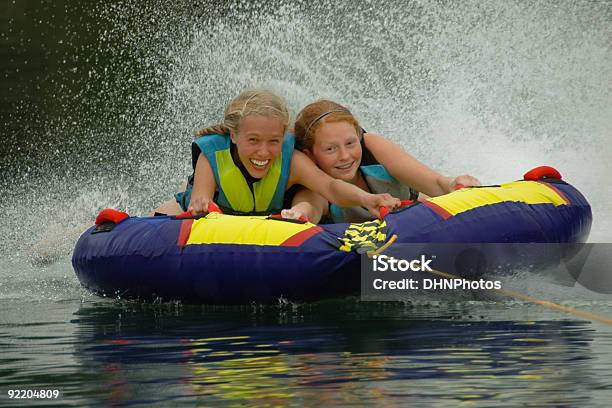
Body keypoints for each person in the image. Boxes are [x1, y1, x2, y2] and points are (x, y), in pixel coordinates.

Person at [154, 90, 400, 218]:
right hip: (210, 217)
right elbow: (200, 202)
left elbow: (331, 188)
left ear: (283, 138)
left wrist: (366, 199)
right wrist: (200, 208)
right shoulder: (212, 156)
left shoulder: (291, 160)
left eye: (274, 141)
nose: (264, 151)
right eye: (253, 140)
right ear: (234, 136)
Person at [287, 100, 481, 223]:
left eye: (350, 143)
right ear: (310, 154)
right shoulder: (313, 184)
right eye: (330, 149)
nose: (345, 156)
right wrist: (297, 213)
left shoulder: (374, 146)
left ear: (358, 137)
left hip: (422, 219)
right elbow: (309, 207)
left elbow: (436, 184)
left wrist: (453, 183)